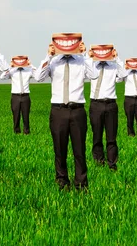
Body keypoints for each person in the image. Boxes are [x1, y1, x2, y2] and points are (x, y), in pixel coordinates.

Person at [34, 44, 98, 191]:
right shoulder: (54, 62)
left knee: (79, 150)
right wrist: (48, 56)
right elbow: (38, 77)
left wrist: (85, 55)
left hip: (77, 110)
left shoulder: (82, 61)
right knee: (59, 149)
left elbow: (94, 75)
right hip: (58, 111)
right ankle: (62, 181)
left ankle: (81, 184)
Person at [87, 54, 127, 171]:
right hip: (96, 104)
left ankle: (112, 164)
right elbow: (86, 73)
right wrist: (88, 57)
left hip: (110, 105)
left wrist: (117, 58)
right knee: (97, 136)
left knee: (111, 137)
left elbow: (124, 75)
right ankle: (99, 162)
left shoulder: (113, 66)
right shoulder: (92, 66)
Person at [0, 57, 35, 134]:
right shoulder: (12, 71)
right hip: (15, 96)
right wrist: (10, 67)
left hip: (25, 96)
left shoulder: (28, 70)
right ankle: (16, 131)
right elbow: (2, 77)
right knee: (16, 115)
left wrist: (30, 65)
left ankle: (27, 132)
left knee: (26, 115)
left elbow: (37, 75)